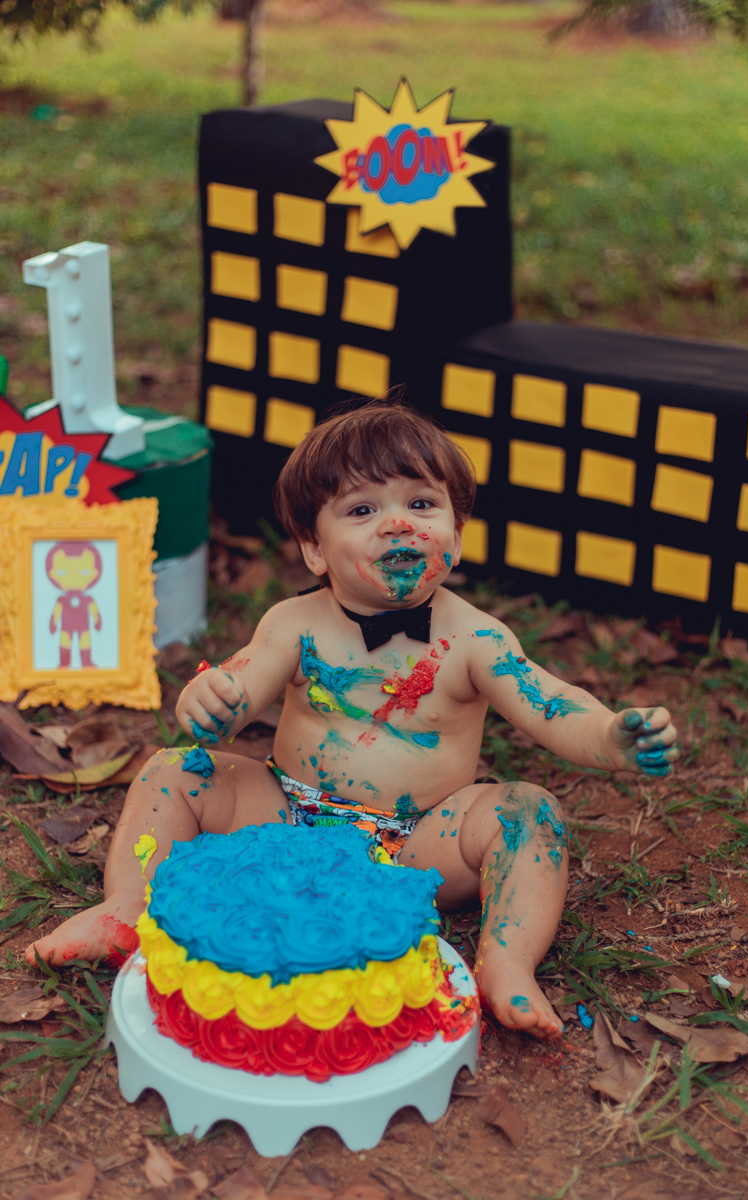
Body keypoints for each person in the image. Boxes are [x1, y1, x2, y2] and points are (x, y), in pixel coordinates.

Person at [27, 400, 679, 1039]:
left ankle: (504, 958)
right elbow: (239, 682)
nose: (398, 524)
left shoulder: (478, 640)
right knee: (174, 770)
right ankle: (126, 908)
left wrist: (608, 737)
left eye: (421, 504)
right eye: (363, 510)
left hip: (421, 841)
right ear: (314, 547)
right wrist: (211, 697)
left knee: (527, 810)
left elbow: (549, 705)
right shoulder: (294, 623)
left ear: (456, 533)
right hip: (283, 817)